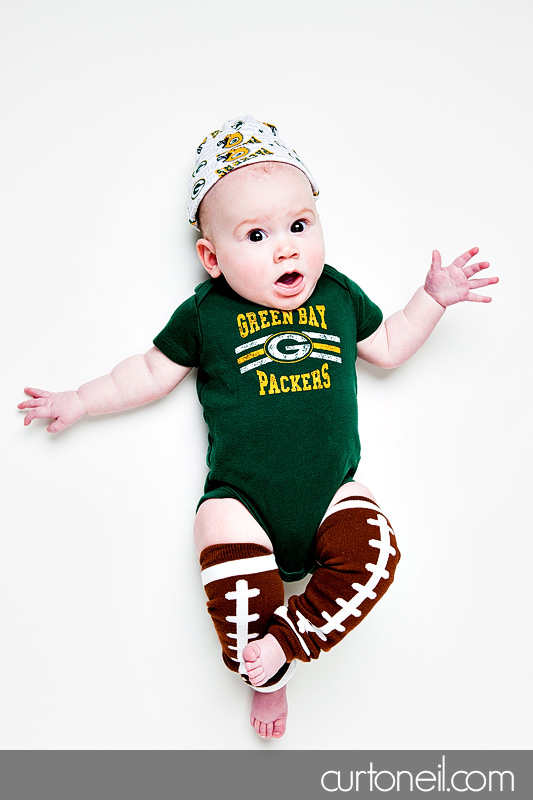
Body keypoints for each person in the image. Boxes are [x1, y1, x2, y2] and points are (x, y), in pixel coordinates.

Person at [18, 115, 498, 740]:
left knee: (377, 553)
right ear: (212, 259)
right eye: (258, 235)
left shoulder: (338, 295)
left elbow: (389, 346)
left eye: (300, 226)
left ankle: (289, 641)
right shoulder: (206, 314)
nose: (287, 249)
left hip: (332, 493)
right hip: (241, 501)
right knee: (222, 557)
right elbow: (147, 371)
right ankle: (266, 679)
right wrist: (81, 398)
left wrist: (431, 297)